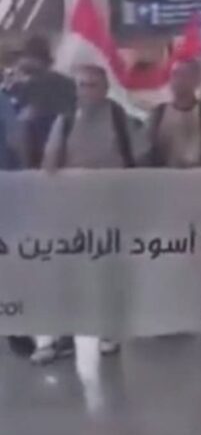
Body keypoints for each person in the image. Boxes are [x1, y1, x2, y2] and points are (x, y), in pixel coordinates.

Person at [33, 64, 140, 363]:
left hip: (111, 209)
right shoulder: (66, 119)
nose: (86, 91)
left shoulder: (119, 118)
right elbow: (49, 163)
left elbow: (139, 158)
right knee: (65, 274)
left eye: (92, 85)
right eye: (81, 85)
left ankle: (108, 331)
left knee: (108, 273)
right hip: (72, 211)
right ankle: (60, 336)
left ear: (105, 89)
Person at [6, 35, 76, 169]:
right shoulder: (68, 83)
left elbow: (18, 121)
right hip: (65, 150)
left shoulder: (26, 86)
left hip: (34, 150)